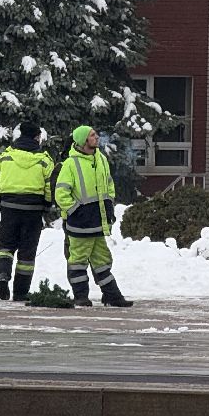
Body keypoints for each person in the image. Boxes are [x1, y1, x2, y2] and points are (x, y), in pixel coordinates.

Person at [54, 125, 133, 307]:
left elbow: (109, 185)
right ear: (83, 141)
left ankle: (112, 296)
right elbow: (61, 194)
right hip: (80, 224)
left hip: (98, 222)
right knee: (78, 262)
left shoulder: (102, 159)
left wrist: (109, 205)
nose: (96, 137)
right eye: (92, 135)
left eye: (95, 134)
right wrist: (76, 210)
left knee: (103, 260)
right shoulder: (70, 164)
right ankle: (81, 297)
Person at [0, 120, 55, 301]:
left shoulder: (4, 157)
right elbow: (50, 187)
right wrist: (47, 206)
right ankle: (21, 292)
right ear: (37, 137)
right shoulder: (44, 161)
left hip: (9, 208)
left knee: (5, 247)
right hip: (33, 210)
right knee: (27, 252)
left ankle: (3, 275)